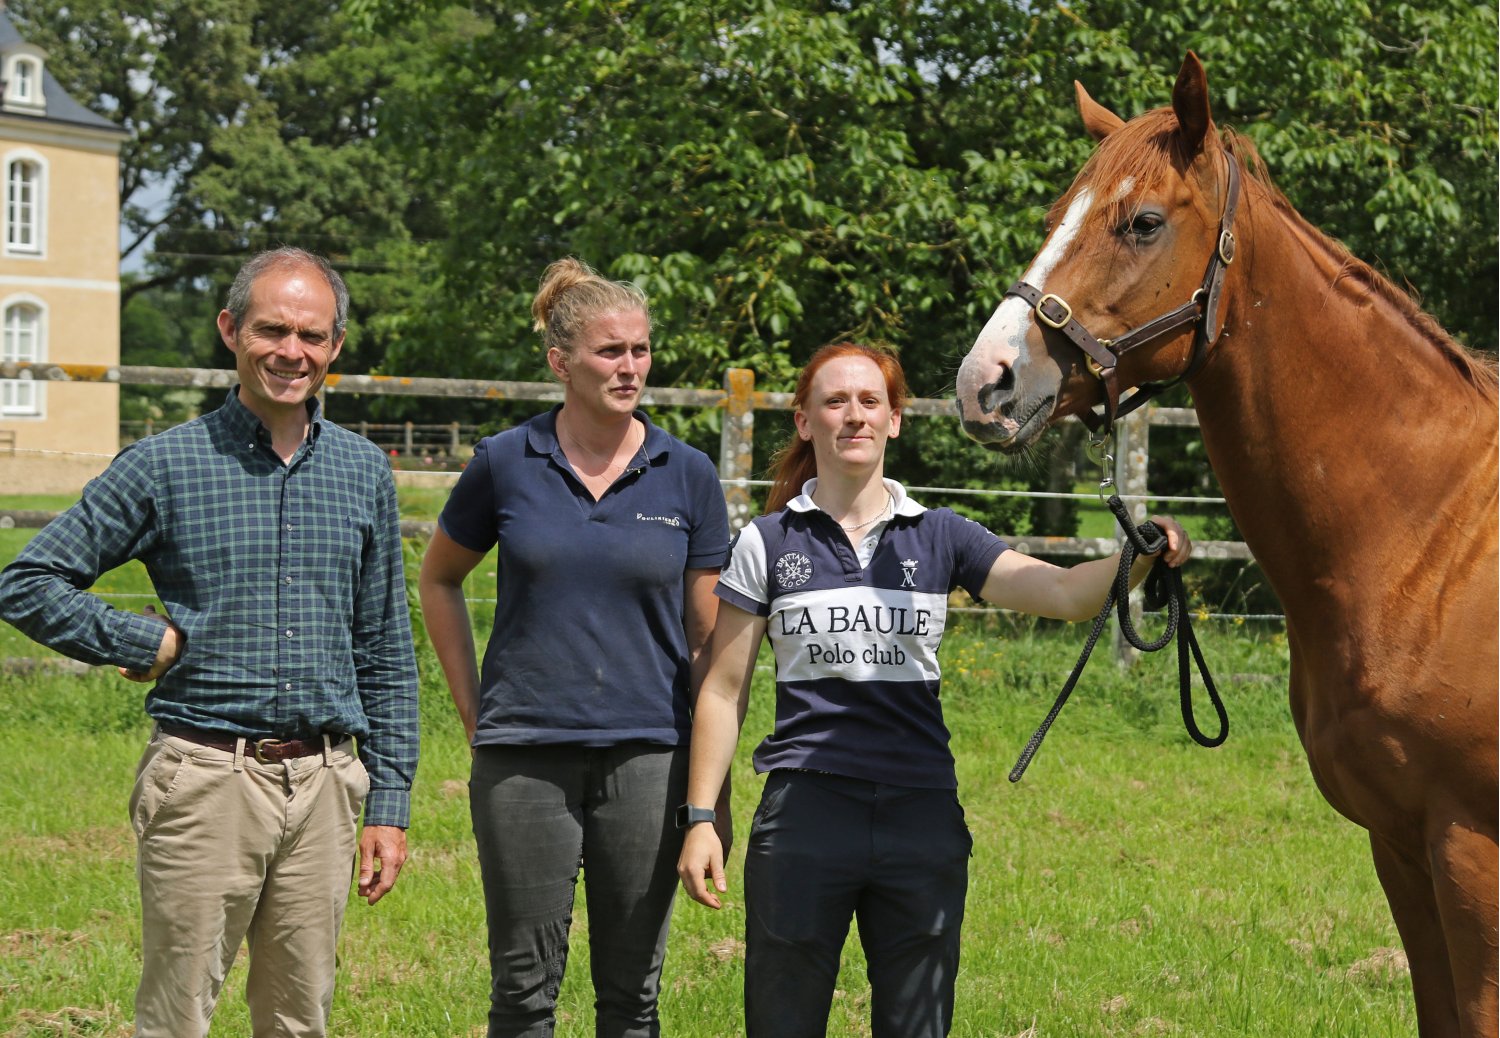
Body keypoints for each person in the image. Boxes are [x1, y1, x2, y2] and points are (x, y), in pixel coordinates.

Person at [675, 342, 1192, 1038]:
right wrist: (700, 817)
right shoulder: (766, 542)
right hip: (803, 813)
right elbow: (722, 690)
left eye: (870, 401)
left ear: (894, 421)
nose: (854, 415)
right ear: (804, 421)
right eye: (835, 401)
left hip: (919, 814)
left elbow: (1066, 593)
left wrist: (1142, 553)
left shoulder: (942, 535)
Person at [0, 247, 420, 1037]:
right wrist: (141, 640)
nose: (291, 351)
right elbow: (27, 581)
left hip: (326, 784)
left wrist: (388, 804)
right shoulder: (165, 464)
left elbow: (385, 648)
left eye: (312, 335)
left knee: (298, 1019)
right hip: (205, 779)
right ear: (231, 329)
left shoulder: (363, 470)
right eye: (271, 330)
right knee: (177, 1018)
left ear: (334, 345)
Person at [418, 257, 731, 1038]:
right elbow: (439, 580)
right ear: (560, 362)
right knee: (523, 993)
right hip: (523, 757)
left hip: (650, 758)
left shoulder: (687, 473)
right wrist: (476, 713)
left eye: (641, 349)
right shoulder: (505, 462)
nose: (630, 367)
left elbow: (708, 644)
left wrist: (709, 798)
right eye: (609, 351)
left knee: (632, 997)